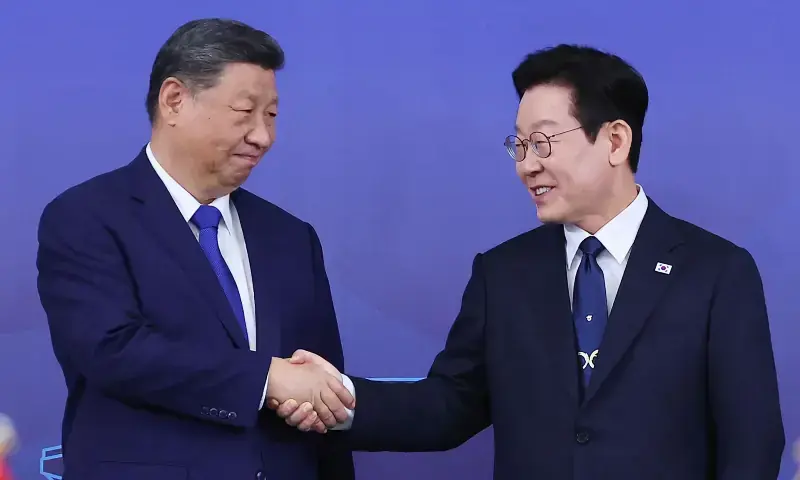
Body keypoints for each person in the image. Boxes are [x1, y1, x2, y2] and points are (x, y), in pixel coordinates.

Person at [272, 44, 786, 479]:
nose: (526, 165)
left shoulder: (716, 272)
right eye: (518, 145)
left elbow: (752, 442)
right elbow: (448, 406)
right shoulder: (504, 274)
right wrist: (337, 396)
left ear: (615, 140)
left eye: (542, 142)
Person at [36, 18, 355, 480]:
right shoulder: (86, 217)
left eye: (271, 116)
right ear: (174, 100)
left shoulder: (290, 236)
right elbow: (112, 349)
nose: (263, 137)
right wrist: (267, 378)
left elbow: (320, 389)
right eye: (244, 111)